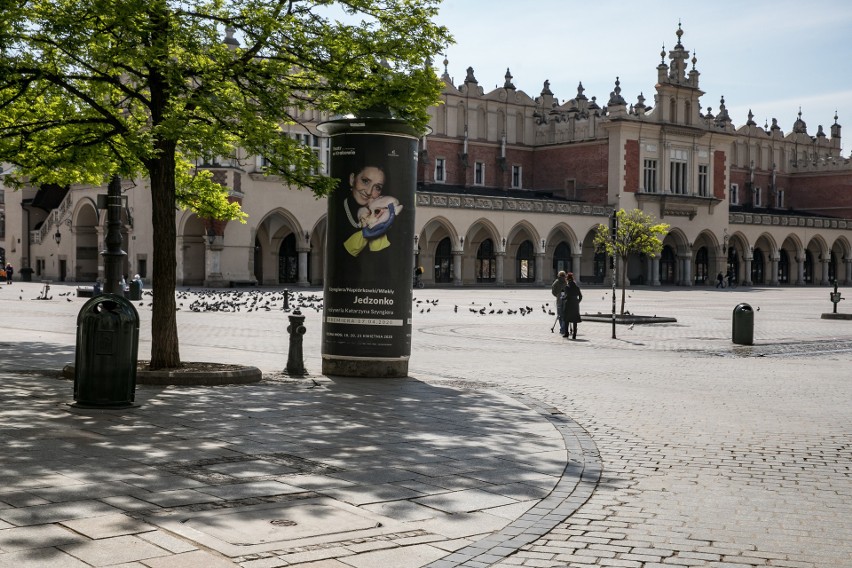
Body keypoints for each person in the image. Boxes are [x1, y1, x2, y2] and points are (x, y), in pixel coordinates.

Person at [561, 272, 583, 339]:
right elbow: (581, 296)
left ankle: (566, 333)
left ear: (567, 279)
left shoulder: (567, 287)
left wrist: (562, 298)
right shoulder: (577, 287)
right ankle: (574, 335)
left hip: (569, 303)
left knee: (566, 319)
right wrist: (577, 302)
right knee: (574, 320)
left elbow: (567, 296)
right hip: (575, 304)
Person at [551, 270, 568, 335]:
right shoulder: (566, 282)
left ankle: (562, 328)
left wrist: (557, 295)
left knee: (560, 315)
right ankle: (563, 328)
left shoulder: (556, 282)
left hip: (559, 300)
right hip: (566, 300)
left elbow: (553, 290)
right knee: (564, 315)